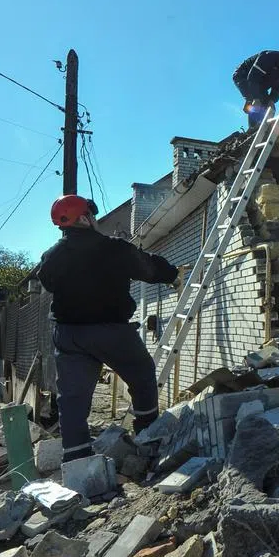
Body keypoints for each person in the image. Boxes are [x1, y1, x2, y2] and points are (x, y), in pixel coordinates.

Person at [39, 194, 180, 463]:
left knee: (72, 400)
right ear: (84, 219)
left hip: (68, 335)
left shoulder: (52, 256)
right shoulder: (114, 248)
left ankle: (77, 461)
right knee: (142, 375)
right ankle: (147, 436)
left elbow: (48, 282)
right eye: (91, 214)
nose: (95, 219)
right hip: (111, 331)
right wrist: (173, 275)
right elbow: (148, 267)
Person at [232, 41, 279, 129]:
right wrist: (253, 98)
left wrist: (272, 101)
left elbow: (278, 89)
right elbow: (253, 78)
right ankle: (252, 128)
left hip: (261, 84)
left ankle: (263, 128)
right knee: (257, 102)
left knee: (269, 106)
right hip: (243, 76)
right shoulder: (268, 57)